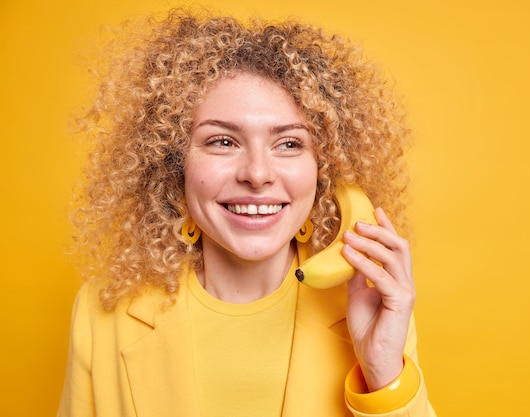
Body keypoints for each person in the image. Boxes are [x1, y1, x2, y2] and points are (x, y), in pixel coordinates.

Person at [58, 8, 436, 417]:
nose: (257, 174)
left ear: (323, 170)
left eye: (289, 144)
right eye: (222, 141)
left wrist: (382, 373)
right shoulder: (104, 309)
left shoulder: (367, 305)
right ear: (174, 164)